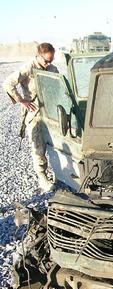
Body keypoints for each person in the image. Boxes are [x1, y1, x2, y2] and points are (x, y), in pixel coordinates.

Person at [2, 42, 59, 192]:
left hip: (51, 114)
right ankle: (43, 179)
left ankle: (59, 175)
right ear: (38, 56)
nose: (48, 64)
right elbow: (8, 83)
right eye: (46, 60)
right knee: (38, 148)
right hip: (35, 115)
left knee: (56, 146)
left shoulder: (52, 69)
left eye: (51, 60)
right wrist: (21, 100)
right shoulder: (28, 68)